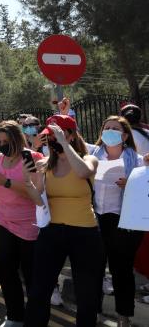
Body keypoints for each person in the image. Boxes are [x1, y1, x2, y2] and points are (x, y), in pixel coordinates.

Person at [22, 115, 103, 326]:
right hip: (52, 233)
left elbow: (84, 172)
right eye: (49, 136)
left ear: (70, 134)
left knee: (86, 293)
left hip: (84, 232)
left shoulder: (88, 158)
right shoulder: (45, 164)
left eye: (56, 135)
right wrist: (28, 181)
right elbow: (38, 200)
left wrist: (64, 144)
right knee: (39, 290)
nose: (51, 140)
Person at [89, 116, 147, 326]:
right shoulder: (91, 156)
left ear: (124, 135)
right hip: (96, 219)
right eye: (107, 128)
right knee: (94, 269)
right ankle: (93, 311)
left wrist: (131, 185)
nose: (110, 132)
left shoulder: (138, 161)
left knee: (121, 270)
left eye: (115, 129)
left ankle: (124, 315)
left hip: (123, 223)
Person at [0, 120, 41, 326]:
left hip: (29, 226)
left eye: (6, 140)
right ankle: (15, 315)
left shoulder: (31, 157)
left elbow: (34, 192)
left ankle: (35, 318)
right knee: (6, 271)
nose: (2, 145)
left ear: (17, 139)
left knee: (31, 276)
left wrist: (3, 181)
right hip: (3, 222)